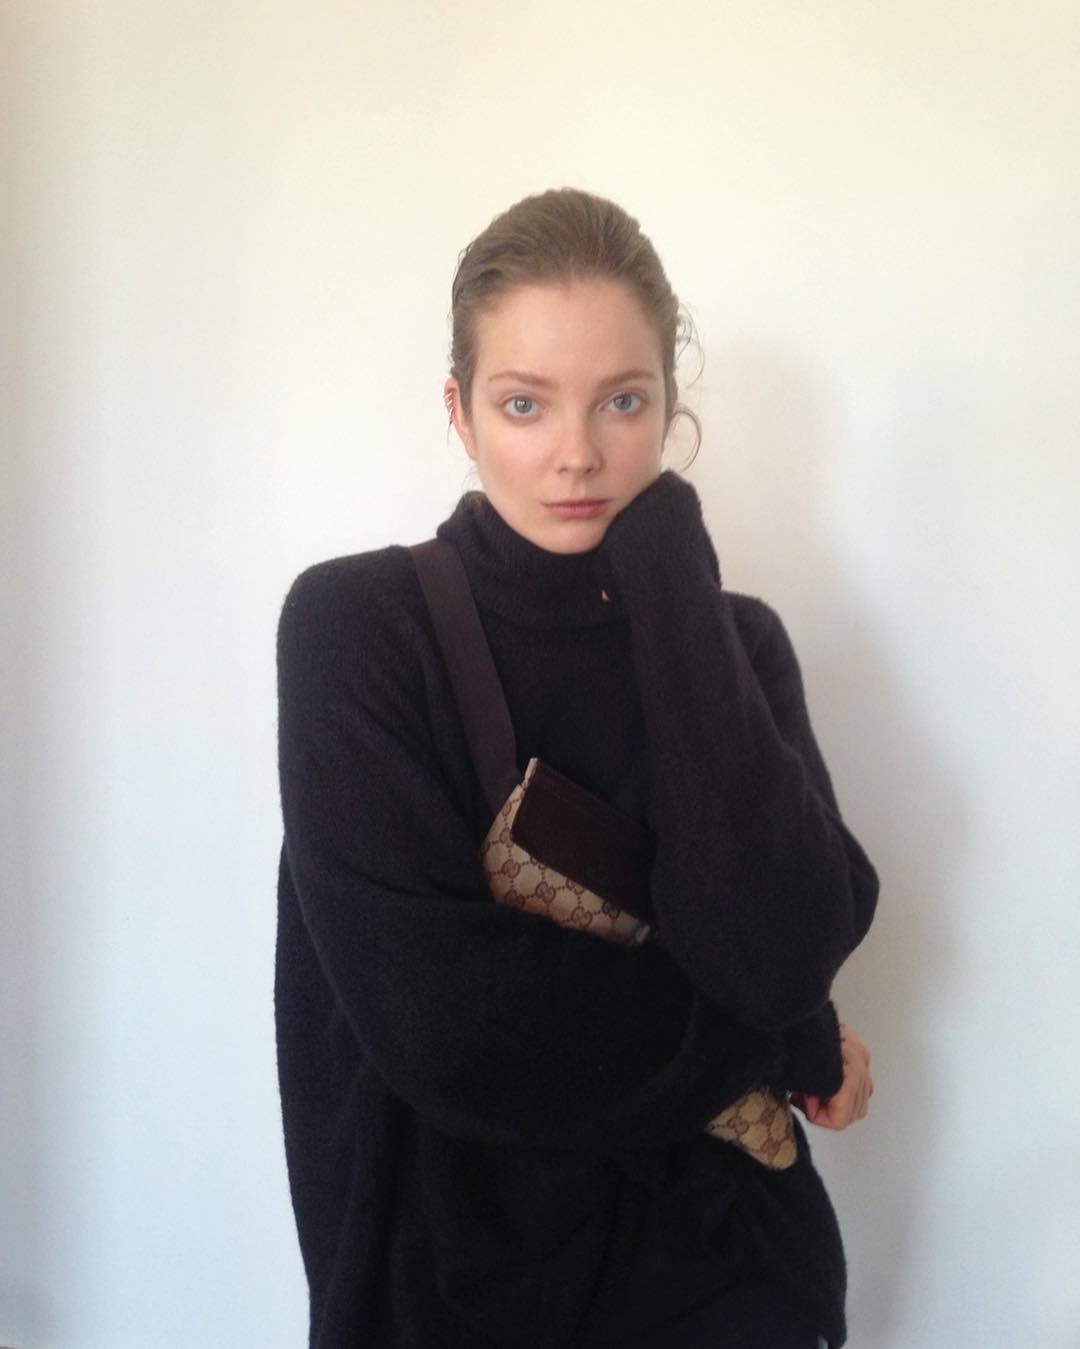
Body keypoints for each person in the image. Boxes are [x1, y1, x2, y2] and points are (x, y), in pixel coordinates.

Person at [274, 187, 879, 1349]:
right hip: (460, 1287)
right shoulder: (361, 626)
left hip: (731, 1268)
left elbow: (781, 947)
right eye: (523, 402)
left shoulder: (735, 642)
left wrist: (669, 572)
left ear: (668, 408)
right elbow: (444, 1022)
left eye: (622, 401)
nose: (577, 454)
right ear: (459, 412)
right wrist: (778, 1042)